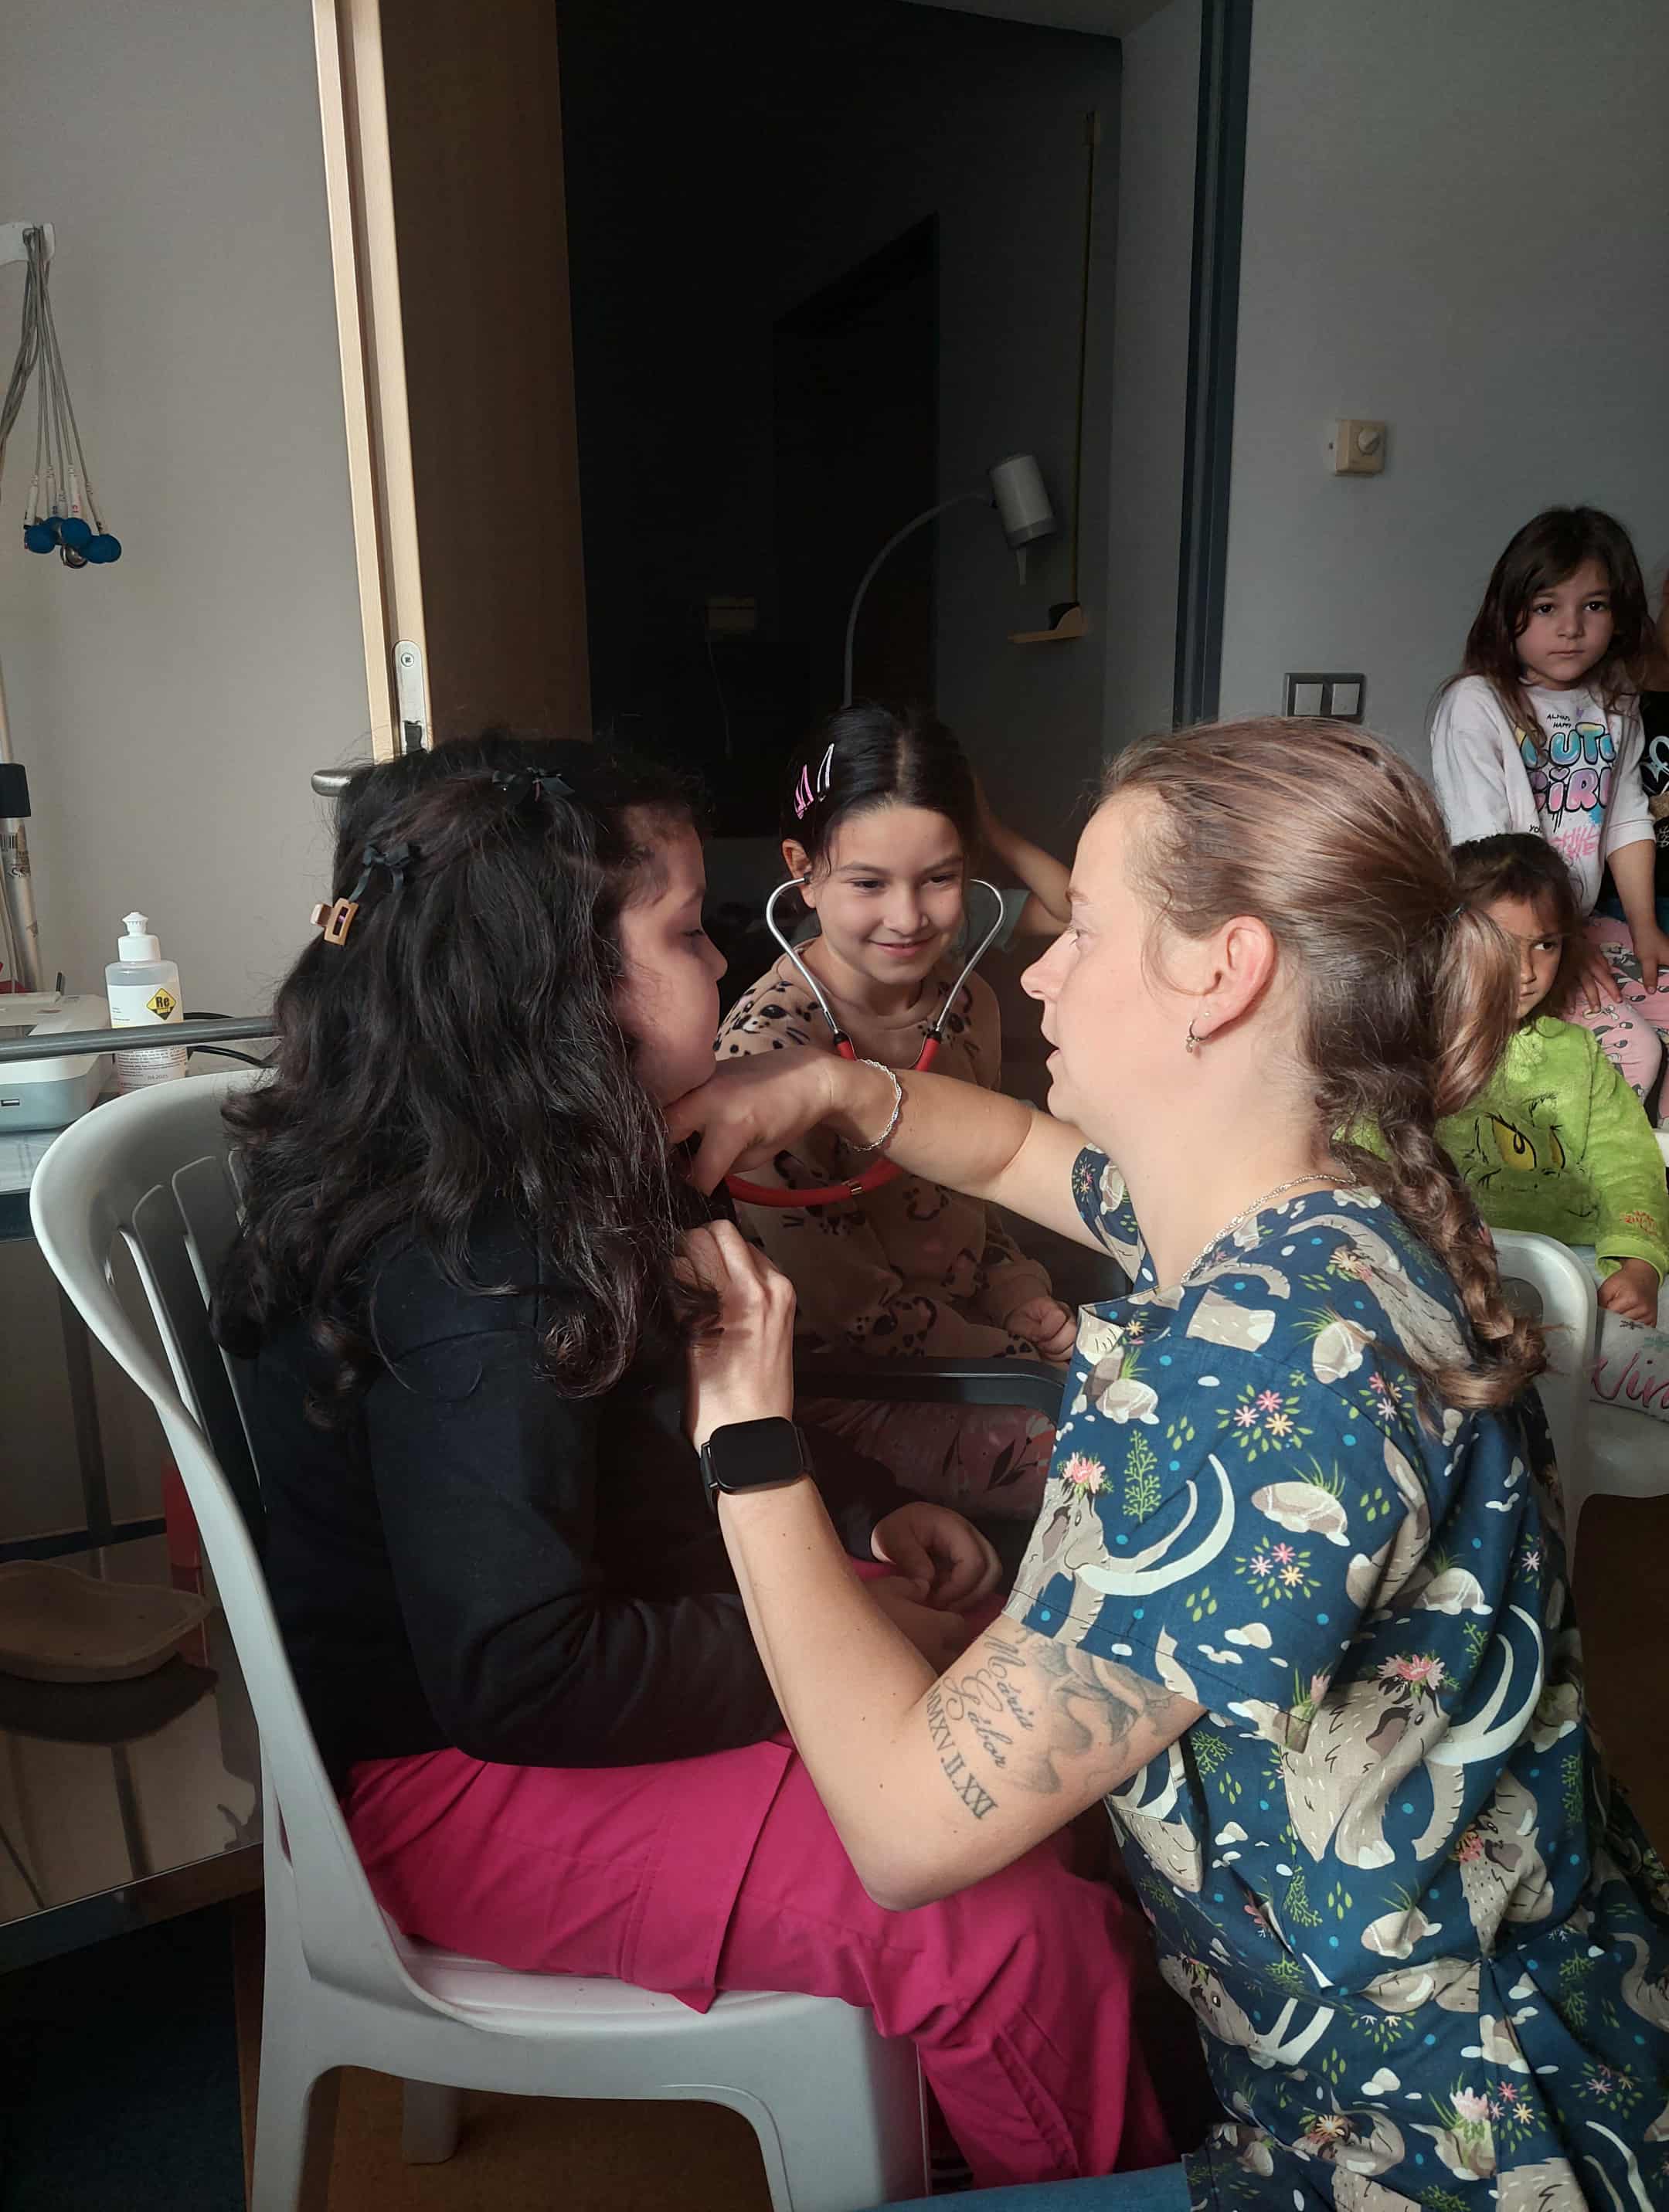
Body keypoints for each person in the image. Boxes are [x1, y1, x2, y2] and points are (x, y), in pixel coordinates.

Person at [672, 717, 1669, 2212]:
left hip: (1442, 2151)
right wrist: (828, 1087)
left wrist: (747, 1444)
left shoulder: (1259, 1378)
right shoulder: (1330, 1209)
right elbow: (1017, 1156)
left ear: (1224, 972)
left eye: (1085, 928)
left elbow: (898, 1823)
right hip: (1556, 2045)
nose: (1040, 972)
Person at [215, 734, 1168, 2192]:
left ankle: (1014, 2115)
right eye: (682, 935)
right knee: (1001, 1927)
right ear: (558, 988)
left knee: (1027, 1715)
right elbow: (523, 1674)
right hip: (458, 1781)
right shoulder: (476, 1267)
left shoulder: (562, 1169)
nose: (723, 963)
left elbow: (673, 1422)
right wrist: (856, 1647)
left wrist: (871, 1509)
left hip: (585, 1663)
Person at [716, 704, 1078, 1520]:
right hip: (860, 1390)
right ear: (803, 872)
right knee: (1124, 1470)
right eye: (868, 884)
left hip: (982, 1350)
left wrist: (1017, 1291)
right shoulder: (763, 1058)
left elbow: (977, 1201)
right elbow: (857, 1322)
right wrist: (1035, 1363)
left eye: (940, 879)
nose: (909, 918)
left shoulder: (966, 1002)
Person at [1430, 504, 1669, 1119]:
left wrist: (1644, 926)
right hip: (1509, 938)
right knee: (1636, 1053)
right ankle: (1579, 1168)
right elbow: (1493, 858)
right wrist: (1556, 943)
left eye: (1594, 606)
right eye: (1545, 608)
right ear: (1508, 611)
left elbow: (1626, 817)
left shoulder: (1616, 701)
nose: (1570, 628)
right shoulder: (1477, 703)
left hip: (1577, 926)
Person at [1438, 831, 1669, 1412]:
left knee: (1615, 1344)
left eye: (1545, 944)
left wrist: (1638, 1264)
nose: (1526, 972)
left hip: (1579, 1270)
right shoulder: (1409, 1056)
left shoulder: (1577, 1054)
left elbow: (1627, 1161)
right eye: (1500, 943)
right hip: (1449, 1283)